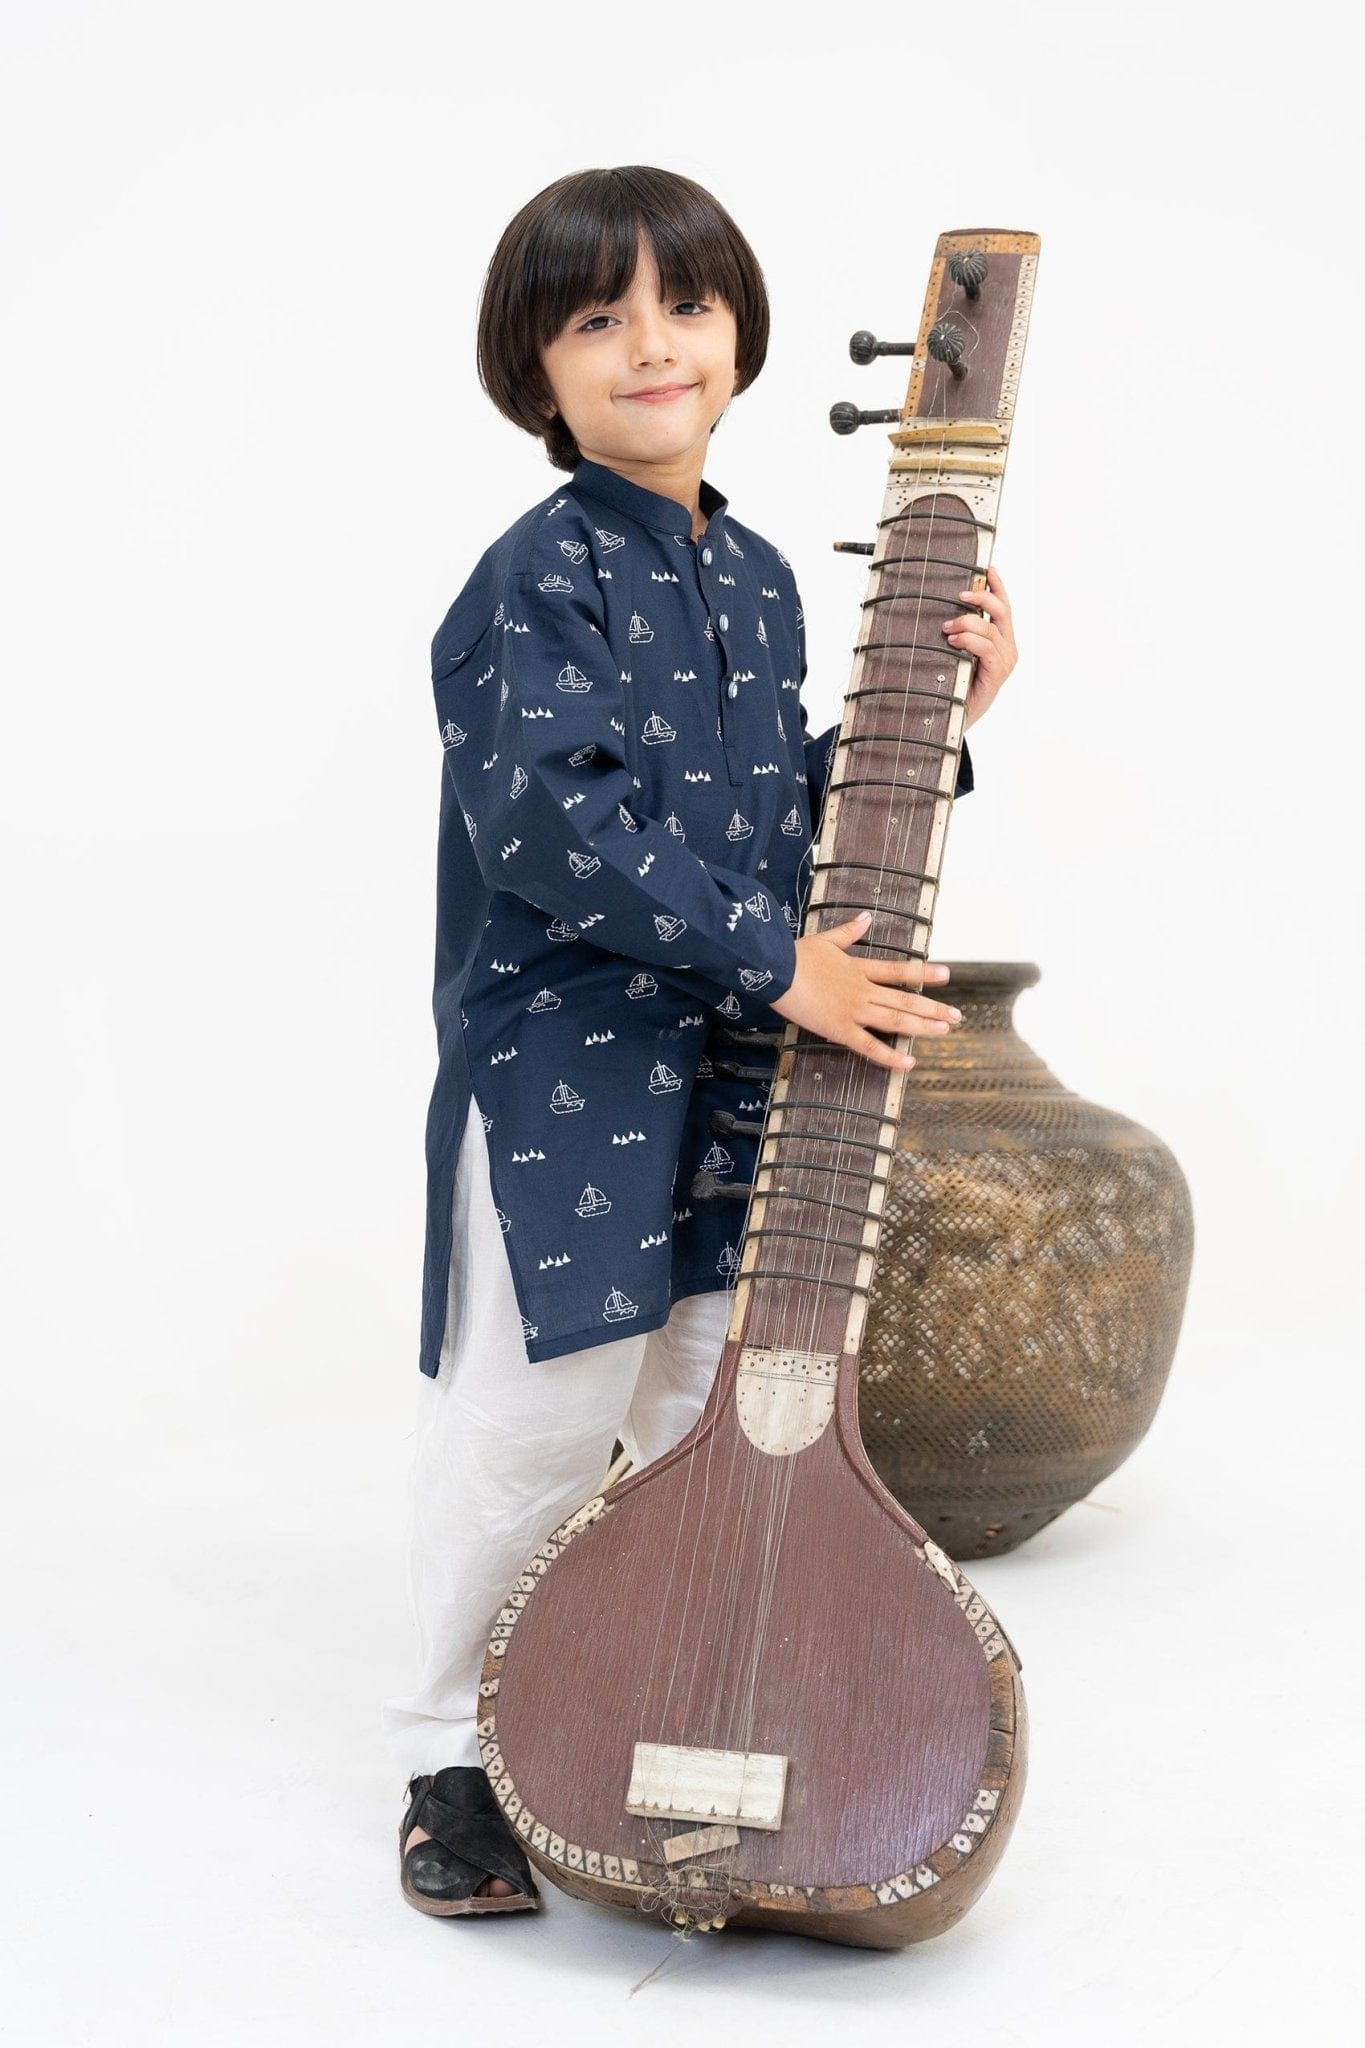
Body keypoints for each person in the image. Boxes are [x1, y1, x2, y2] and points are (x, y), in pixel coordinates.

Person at [380, 165, 1019, 1918]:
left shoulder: (753, 577)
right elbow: (559, 832)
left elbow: (764, 830)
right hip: (566, 1080)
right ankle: (449, 1760)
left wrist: (934, 723)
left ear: (741, 337)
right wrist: (781, 967)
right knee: (532, 1425)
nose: (649, 344)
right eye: (597, 318)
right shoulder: (535, 578)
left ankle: (657, 1711)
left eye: (685, 306)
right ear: (533, 368)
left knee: (703, 1412)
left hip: (738, 1063)